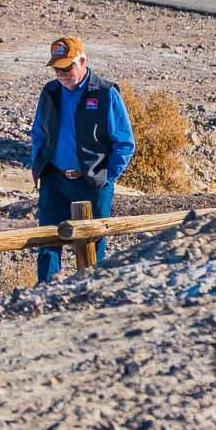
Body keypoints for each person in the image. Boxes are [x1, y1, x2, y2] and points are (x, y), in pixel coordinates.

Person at [27, 36, 136, 285]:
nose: (62, 74)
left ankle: (87, 292)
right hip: (54, 179)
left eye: (67, 68)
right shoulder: (50, 91)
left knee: (92, 243)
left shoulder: (105, 93)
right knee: (47, 241)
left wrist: (105, 176)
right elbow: (39, 133)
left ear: (83, 61)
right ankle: (46, 293)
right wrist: (40, 163)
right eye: (57, 69)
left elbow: (125, 143)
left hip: (91, 182)